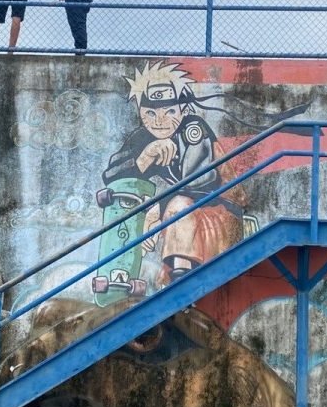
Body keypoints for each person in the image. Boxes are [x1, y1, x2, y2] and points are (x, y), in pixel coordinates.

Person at [101, 62, 245, 286]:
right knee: (139, 208)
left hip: (220, 207)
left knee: (177, 206)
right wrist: (145, 158)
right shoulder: (144, 137)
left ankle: (181, 277)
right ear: (140, 113)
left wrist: (157, 211)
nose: (159, 120)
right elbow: (112, 175)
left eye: (169, 111)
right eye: (150, 113)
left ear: (183, 110)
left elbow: (201, 183)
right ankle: (121, 279)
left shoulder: (193, 130)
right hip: (184, 211)